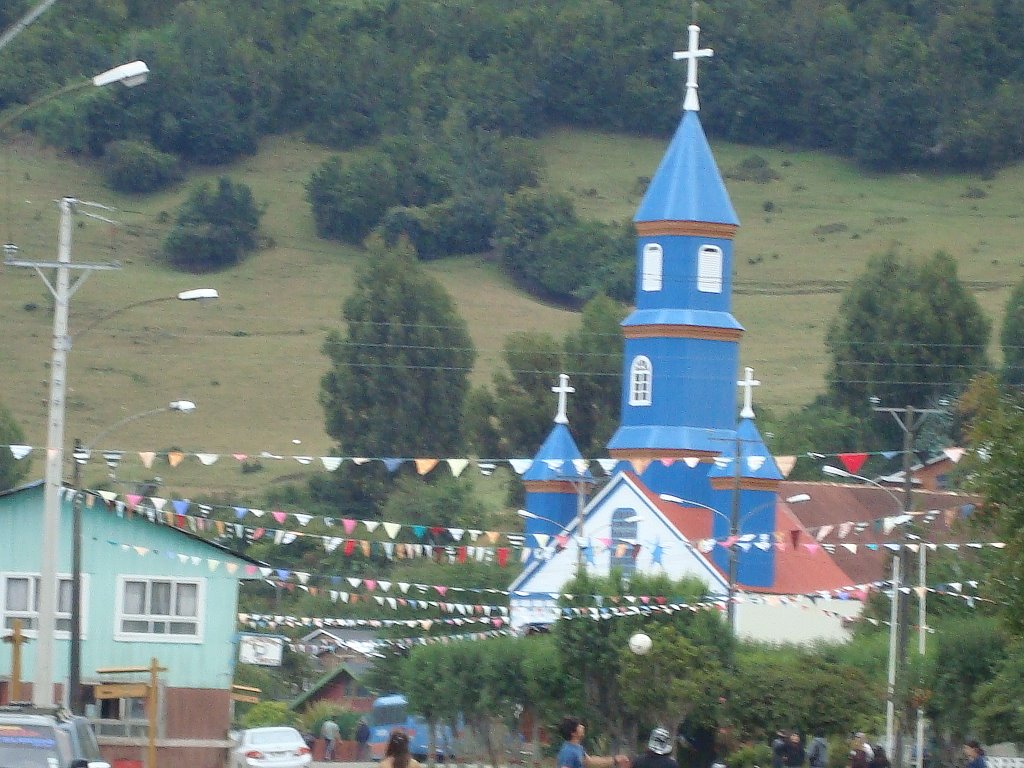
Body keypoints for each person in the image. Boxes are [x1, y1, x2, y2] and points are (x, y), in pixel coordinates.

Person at [557, 716, 629, 768]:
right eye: (579, 726)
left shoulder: (578, 748)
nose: (582, 727)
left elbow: (591, 762)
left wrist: (615, 760)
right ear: (573, 733)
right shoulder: (567, 752)